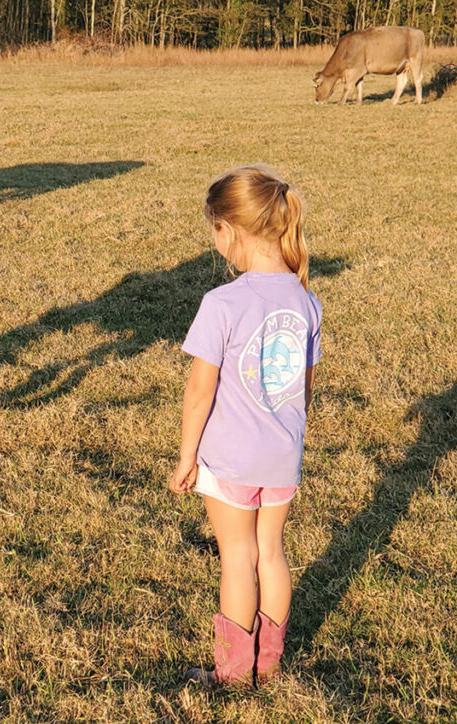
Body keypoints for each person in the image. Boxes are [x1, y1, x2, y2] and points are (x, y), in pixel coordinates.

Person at [170, 165, 322, 687]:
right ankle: (268, 664)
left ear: (230, 231)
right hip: (283, 457)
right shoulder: (307, 301)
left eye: (215, 234)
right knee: (271, 554)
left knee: (237, 558)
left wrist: (188, 457)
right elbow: (303, 388)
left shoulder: (222, 302)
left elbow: (198, 393)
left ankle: (233, 674)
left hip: (228, 457)